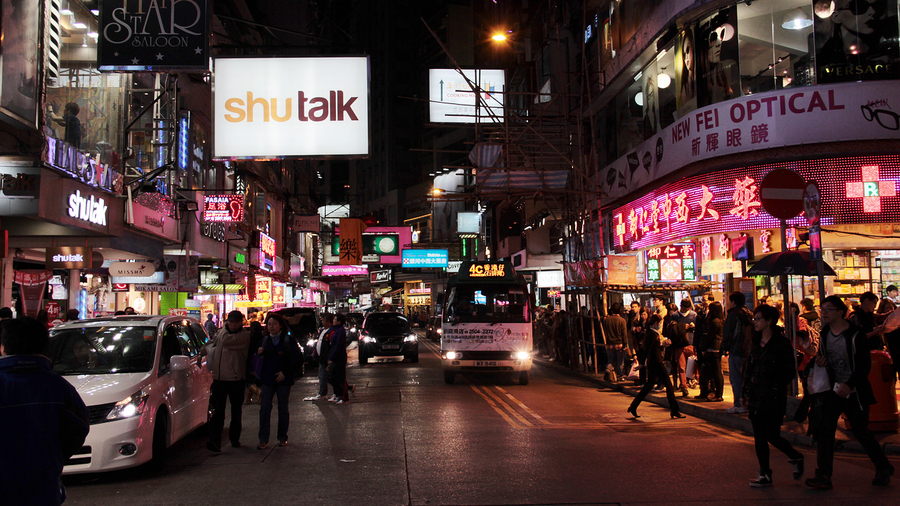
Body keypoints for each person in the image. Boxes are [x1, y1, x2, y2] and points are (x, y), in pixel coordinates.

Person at [805, 296, 894, 489]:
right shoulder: (825, 332)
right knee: (825, 430)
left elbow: (864, 365)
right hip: (833, 390)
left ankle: (884, 467)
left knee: (861, 432)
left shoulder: (856, 334)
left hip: (854, 392)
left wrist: (850, 383)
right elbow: (824, 357)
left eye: (828, 309)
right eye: (823, 309)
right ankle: (823, 475)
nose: (824, 312)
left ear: (840, 312)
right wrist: (820, 360)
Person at [0, 317, 89, 505]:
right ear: (44, 346)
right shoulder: (58, 387)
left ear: (3, 346)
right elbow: (79, 428)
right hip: (44, 486)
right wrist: (52, 456)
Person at [741, 304, 805, 487]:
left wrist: (776, 387)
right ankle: (765, 474)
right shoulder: (755, 341)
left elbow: (789, 371)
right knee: (759, 436)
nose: (755, 322)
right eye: (755, 319)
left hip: (773, 396)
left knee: (772, 435)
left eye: (758, 319)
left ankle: (795, 456)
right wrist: (744, 392)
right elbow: (749, 368)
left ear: (769, 320)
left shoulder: (781, 343)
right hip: (755, 394)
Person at [204, 310, 251, 452]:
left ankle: (234, 438)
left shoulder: (243, 336)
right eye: (231, 322)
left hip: (236, 379)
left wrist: (222, 331)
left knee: (236, 411)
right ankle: (215, 441)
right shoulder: (221, 333)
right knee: (218, 411)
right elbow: (211, 343)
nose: (233, 325)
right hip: (219, 378)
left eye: (236, 322)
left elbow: (224, 340)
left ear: (241, 323)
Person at [627, 313, 685, 419]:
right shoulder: (652, 334)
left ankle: (633, 406)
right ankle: (674, 410)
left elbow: (652, 347)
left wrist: (663, 344)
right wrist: (641, 363)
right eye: (660, 323)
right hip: (657, 362)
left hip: (654, 362)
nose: (660, 325)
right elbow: (647, 349)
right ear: (656, 323)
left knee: (649, 386)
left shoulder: (653, 333)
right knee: (669, 385)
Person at [256, 313, 301, 449]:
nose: (271, 327)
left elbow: (297, 359)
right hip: (268, 380)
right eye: (269, 324)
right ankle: (263, 439)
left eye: (274, 324)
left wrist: (285, 373)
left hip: (283, 381)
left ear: (280, 325)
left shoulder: (288, 340)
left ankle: (282, 437)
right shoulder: (264, 341)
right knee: (264, 409)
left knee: (283, 409)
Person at [722, 291, 753, 414]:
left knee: (736, 378)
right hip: (748, 350)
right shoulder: (750, 314)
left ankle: (738, 404)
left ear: (733, 302)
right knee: (747, 378)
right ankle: (746, 403)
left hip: (736, 350)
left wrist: (724, 347)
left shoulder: (733, 315)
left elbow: (728, 333)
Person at [305, 313, 334, 401]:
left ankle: (323, 393)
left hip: (326, 357)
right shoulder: (322, 330)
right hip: (321, 357)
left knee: (327, 376)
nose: (322, 321)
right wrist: (315, 351)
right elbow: (319, 342)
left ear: (329, 322)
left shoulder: (331, 331)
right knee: (324, 376)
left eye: (323, 320)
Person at [700, 301, 725, 402]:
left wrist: (703, 346)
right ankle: (715, 392)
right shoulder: (721, 320)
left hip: (714, 348)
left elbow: (710, 336)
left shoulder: (715, 322)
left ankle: (718, 394)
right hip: (717, 348)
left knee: (716, 372)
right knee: (716, 371)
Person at [671, 298, 697, 396]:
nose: (686, 310)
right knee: (682, 367)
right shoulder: (675, 315)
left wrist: (693, 326)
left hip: (691, 342)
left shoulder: (693, 315)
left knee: (693, 364)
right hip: (679, 343)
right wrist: (682, 326)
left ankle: (692, 380)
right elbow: (671, 328)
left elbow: (698, 327)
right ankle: (684, 386)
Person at [327, 313, 351, 404]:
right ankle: (339, 394)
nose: (333, 321)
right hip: (335, 357)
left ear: (339, 321)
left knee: (340, 377)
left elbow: (338, 346)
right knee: (331, 376)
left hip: (339, 357)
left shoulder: (340, 331)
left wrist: (332, 357)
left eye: (335, 319)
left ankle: (344, 397)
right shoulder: (336, 330)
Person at [603, 303, 627, 381]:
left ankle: (608, 369)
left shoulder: (607, 320)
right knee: (620, 360)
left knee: (611, 359)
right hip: (619, 343)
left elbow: (605, 331)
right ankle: (620, 375)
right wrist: (625, 344)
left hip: (610, 343)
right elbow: (624, 334)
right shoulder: (622, 320)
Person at [245, 321, 263, 404]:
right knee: (252, 379)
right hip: (259, 360)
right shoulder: (262, 337)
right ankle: (248, 398)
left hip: (250, 359)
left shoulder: (249, 337)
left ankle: (258, 392)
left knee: (249, 380)